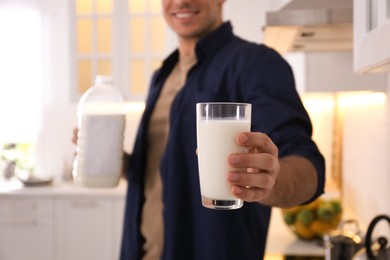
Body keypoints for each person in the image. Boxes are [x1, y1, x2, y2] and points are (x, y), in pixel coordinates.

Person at [108, 0, 325, 259]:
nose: (180, 2)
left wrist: (270, 180)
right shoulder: (162, 75)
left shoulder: (257, 63)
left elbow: (308, 166)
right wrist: (111, 158)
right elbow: (156, 171)